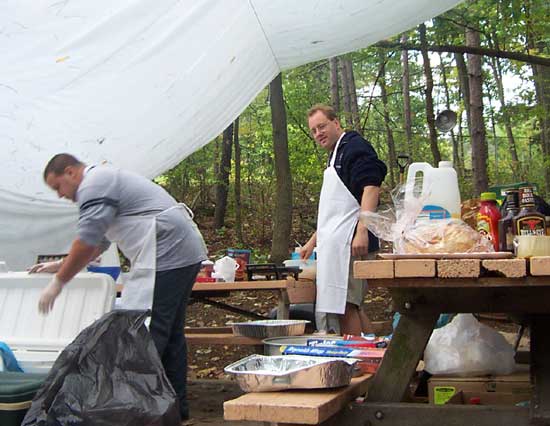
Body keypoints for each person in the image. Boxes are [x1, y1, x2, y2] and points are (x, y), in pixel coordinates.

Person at [29, 153, 207, 422]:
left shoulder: (94, 183)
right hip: (182, 250)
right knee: (169, 334)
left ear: (70, 172)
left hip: (169, 252)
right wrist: (59, 264)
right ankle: (175, 411)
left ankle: (142, 412)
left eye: (58, 188)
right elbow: (99, 242)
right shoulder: (103, 180)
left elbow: (87, 240)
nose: (60, 195)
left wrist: (58, 283)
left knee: (147, 335)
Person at [301, 105, 387, 336]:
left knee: (347, 306)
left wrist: (362, 230)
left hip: (351, 242)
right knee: (351, 306)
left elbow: (371, 187)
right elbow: (335, 212)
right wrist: (312, 242)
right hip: (337, 243)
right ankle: (377, 355)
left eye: (322, 126)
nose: (318, 133)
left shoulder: (354, 147)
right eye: (314, 130)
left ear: (336, 123)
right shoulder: (335, 156)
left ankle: (356, 362)